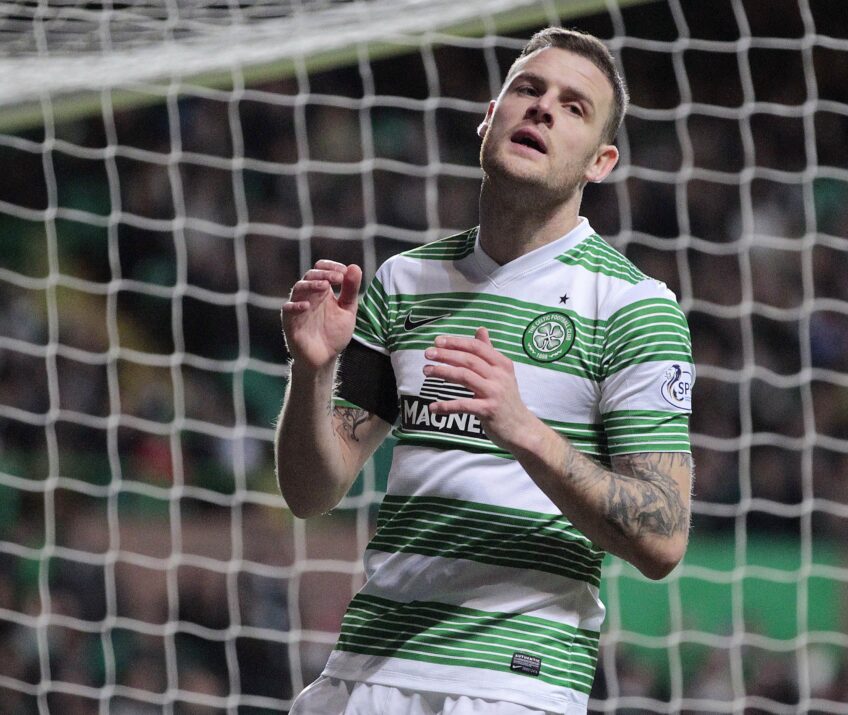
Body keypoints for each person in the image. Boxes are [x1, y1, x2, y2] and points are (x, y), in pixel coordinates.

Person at [275, 26, 695, 715]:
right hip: (366, 668)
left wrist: (523, 429)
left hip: (511, 682)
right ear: (489, 117)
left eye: (573, 106)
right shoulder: (403, 280)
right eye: (528, 89)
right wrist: (312, 372)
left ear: (600, 162)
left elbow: (663, 536)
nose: (543, 108)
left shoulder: (632, 306)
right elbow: (311, 490)